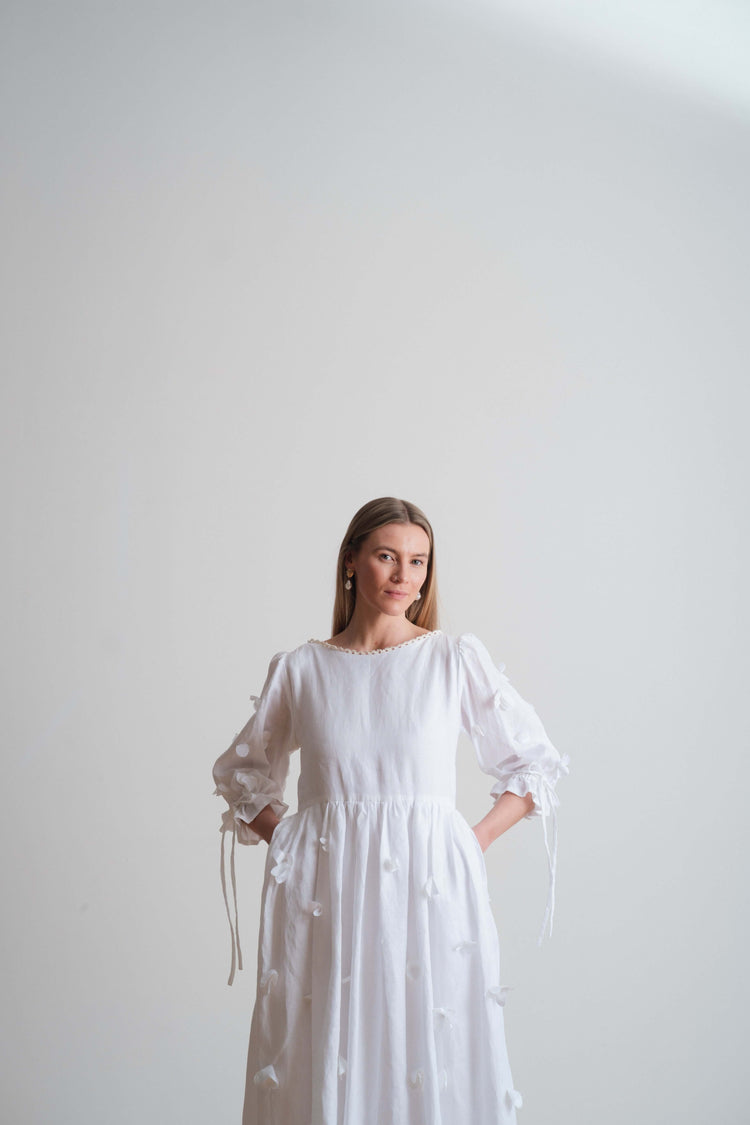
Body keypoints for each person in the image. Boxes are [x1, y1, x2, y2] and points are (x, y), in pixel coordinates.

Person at [212, 495, 570, 1124]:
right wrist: (291, 836)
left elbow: (534, 763)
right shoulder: (302, 670)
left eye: (418, 561)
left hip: (430, 890)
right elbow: (241, 774)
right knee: (324, 1046)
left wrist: (471, 839)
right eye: (387, 557)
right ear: (351, 562)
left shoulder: (450, 660)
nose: (405, 575)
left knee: (425, 1046)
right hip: (327, 891)